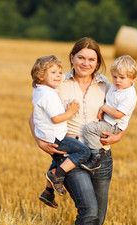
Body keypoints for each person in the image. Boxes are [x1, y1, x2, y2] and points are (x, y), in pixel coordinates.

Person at [29, 37, 125, 225]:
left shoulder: (106, 85)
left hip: (101, 156)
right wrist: (40, 142)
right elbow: (34, 115)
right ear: (72, 58)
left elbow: (123, 112)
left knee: (97, 219)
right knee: (88, 211)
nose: (85, 63)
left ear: (97, 62)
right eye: (81, 57)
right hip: (70, 155)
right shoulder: (57, 82)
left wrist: (119, 136)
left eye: (91, 59)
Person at [30, 55, 91, 206]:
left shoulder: (40, 89)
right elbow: (56, 118)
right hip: (56, 136)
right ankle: (57, 174)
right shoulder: (48, 95)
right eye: (54, 73)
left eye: (60, 72)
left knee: (59, 159)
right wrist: (71, 112)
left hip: (48, 135)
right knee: (84, 152)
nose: (59, 76)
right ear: (40, 75)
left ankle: (48, 192)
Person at [81, 55, 137, 171]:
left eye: (122, 78)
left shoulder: (128, 95)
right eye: (114, 77)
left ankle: (95, 158)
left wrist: (104, 108)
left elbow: (118, 114)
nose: (117, 80)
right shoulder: (116, 87)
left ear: (133, 78)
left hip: (113, 126)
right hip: (108, 121)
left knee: (88, 129)